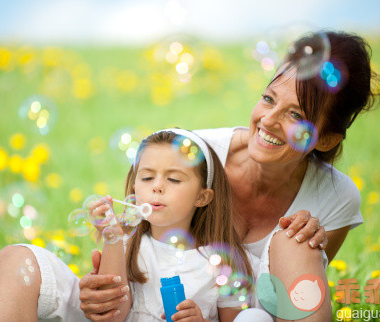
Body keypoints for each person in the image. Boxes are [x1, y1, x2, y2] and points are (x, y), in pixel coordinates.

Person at [78, 31, 380, 321]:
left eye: (295, 115)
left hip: (264, 313)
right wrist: (106, 285)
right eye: (268, 99)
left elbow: (299, 296)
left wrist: (309, 240)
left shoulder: (335, 196)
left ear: (326, 139)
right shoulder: (193, 157)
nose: (268, 120)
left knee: (297, 240)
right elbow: (139, 239)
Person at [88, 129, 272, 321]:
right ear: (135, 187)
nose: (157, 186)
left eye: (174, 179)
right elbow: (110, 317)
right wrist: (112, 238)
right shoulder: (126, 247)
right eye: (147, 178)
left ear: (202, 197)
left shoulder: (224, 262)